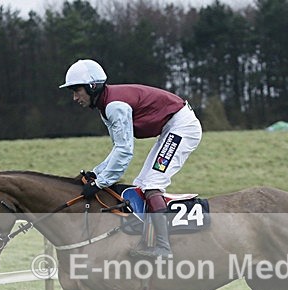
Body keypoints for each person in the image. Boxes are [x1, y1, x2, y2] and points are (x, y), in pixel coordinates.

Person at [59, 59, 202, 259]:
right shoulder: (105, 106)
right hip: (171, 127)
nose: (74, 97)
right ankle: (150, 241)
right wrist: (97, 172)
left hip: (182, 127)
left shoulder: (114, 106)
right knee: (141, 184)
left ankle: (163, 247)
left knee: (152, 183)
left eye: (77, 90)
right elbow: (118, 148)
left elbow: (125, 151)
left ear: (92, 87)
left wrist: (100, 183)